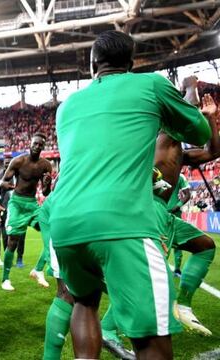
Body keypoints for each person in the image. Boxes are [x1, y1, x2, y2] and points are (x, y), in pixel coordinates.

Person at [51, 30, 210, 359]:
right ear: (131, 63)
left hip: (64, 222)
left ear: (92, 64)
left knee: (84, 300)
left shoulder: (67, 105)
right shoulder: (149, 84)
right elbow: (199, 132)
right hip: (124, 220)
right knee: (151, 338)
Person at [150, 91, 219, 336]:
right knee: (150, 277)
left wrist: (211, 119)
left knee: (205, 245)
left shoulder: (177, 149)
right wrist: (190, 91)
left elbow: (213, 152)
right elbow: (185, 106)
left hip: (167, 217)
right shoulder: (163, 136)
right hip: (150, 214)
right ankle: (108, 329)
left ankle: (184, 306)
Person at [0, 133, 53, 291]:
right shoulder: (18, 161)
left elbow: (45, 193)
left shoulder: (46, 166)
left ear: (43, 147)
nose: (37, 147)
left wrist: (47, 185)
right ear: (30, 144)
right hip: (16, 203)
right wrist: (4, 184)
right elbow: (3, 180)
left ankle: (38, 269)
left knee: (50, 233)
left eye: (40, 145)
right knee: (13, 241)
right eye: (35, 143)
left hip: (32, 204)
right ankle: (5, 279)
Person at [169, 174, 191, 276]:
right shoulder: (159, 173)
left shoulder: (180, 177)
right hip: (160, 211)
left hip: (175, 213)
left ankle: (177, 270)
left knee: (177, 243)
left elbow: (187, 194)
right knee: (160, 240)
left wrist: (177, 206)